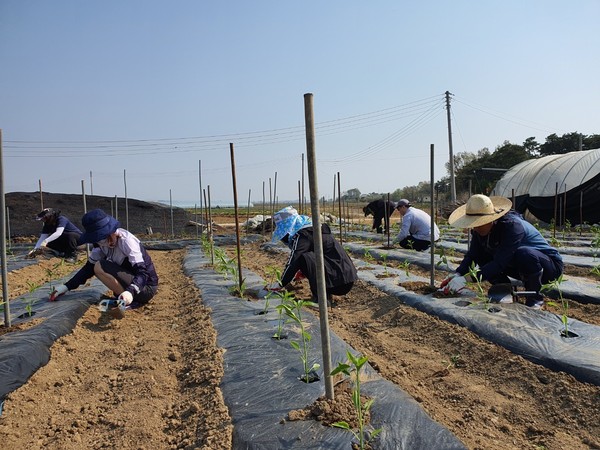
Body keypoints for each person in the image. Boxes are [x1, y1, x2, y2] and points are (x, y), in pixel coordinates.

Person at [440, 194, 563, 309]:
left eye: (478, 223)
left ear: (490, 219)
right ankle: (504, 290)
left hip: (548, 267)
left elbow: (500, 263)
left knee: (524, 253)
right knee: (482, 256)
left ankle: (535, 299)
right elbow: (473, 255)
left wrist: (467, 280)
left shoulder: (512, 226)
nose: (475, 228)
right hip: (517, 264)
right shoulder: (480, 231)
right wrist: (458, 274)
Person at [49, 209, 159, 307]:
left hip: (145, 288)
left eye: (100, 237)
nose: (100, 241)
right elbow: (88, 268)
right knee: (96, 266)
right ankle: (123, 299)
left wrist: (130, 291)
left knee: (100, 265)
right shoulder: (101, 245)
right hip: (132, 287)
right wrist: (66, 287)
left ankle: (127, 300)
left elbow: (143, 273)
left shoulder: (127, 241)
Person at [267, 206, 358, 303]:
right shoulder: (315, 229)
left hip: (338, 284)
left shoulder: (303, 235)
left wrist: (280, 283)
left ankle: (321, 299)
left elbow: (294, 259)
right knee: (304, 258)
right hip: (346, 278)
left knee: (301, 258)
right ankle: (326, 295)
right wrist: (303, 271)